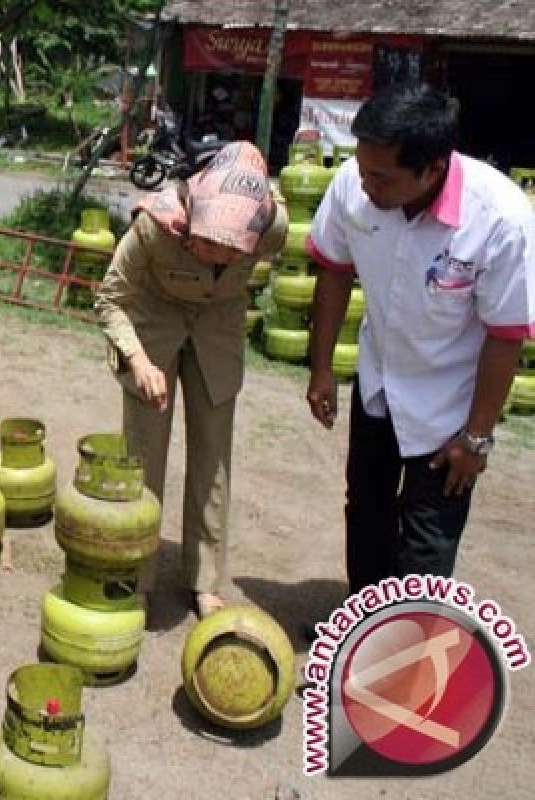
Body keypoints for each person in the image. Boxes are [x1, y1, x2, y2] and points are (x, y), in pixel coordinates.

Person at [306, 83, 535, 598]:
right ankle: (362, 632)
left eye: (381, 177)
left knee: (427, 538)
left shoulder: (500, 218)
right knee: (366, 510)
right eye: (362, 169)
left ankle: (407, 660)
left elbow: (505, 334)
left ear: (433, 168)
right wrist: (321, 367)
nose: (365, 186)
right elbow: (334, 270)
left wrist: (476, 437)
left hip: (449, 406)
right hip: (379, 384)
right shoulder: (352, 184)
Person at [96, 141, 288, 618]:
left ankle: (204, 580)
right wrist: (137, 360)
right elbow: (110, 298)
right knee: (143, 456)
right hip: (154, 326)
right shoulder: (155, 225)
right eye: (208, 242)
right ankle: (135, 575)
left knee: (213, 459)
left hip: (217, 330)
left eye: (230, 247)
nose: (218, 253)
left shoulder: (271, 226)